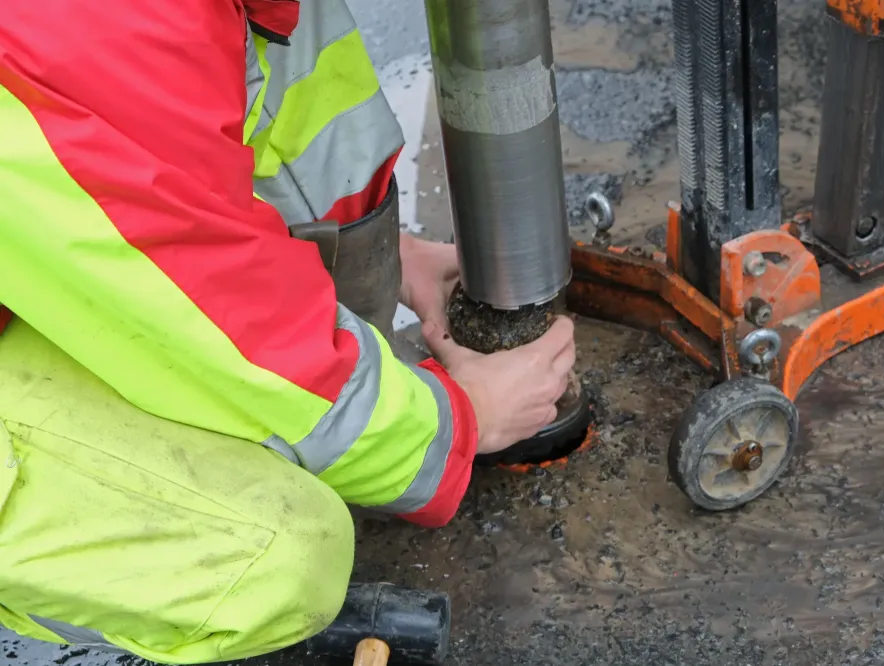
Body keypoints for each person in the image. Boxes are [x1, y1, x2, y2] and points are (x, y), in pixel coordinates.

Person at [0, 0, 576, 662]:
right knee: (278, 555)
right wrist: (457, 422)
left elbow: (250, 146)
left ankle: (339, 432)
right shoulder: (90, 44)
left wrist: (381, 254)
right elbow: (226, 326)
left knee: (294, 36)